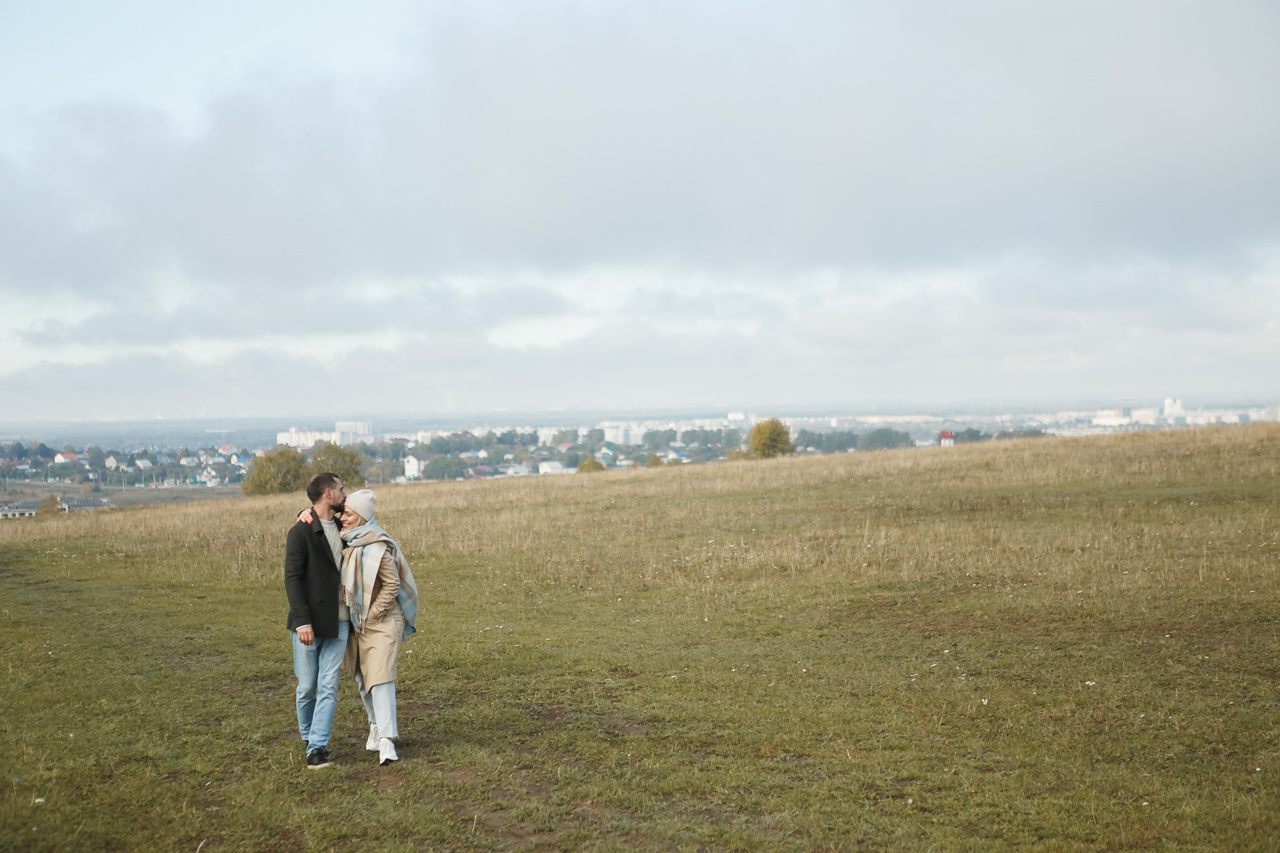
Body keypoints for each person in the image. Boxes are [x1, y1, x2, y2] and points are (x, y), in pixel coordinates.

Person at [337, 489, 418, 766]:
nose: (342, 517)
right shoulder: (345, 539)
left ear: (360, 516)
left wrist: (371, 614)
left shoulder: (378, 544)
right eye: (343, 512)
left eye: (347, 513)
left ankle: (387, 742)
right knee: (362, 678)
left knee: (380, 678)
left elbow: (392, 585)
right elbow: (317, 517)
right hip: (356, 622)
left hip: (382, 620)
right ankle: (374, 725)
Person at [283, 473, 349, 769]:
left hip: (341, 621)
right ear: (327, 493)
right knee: (307, 686)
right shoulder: (300, 531)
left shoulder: (345, 525)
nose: (345, 494)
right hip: (308, 624)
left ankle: (317, 747)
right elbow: (292, 579)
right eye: (341, 488)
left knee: (328, 685)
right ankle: (308, 738)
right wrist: (302, 622)